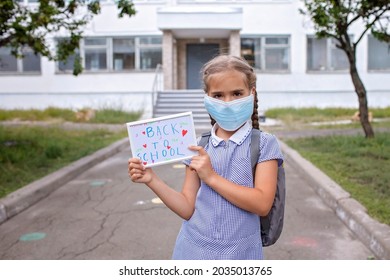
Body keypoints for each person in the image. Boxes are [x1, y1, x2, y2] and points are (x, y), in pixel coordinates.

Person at [128, 54, 284, 260]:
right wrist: (151, 179)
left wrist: (211, 177)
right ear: (207, 98)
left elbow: (262, 204)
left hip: (241, 255)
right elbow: (187, 207)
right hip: (192, 251)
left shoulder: (264, 144)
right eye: (218, 95)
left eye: (237, 93)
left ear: (252, 93)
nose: (228, 102)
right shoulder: (198, 145)